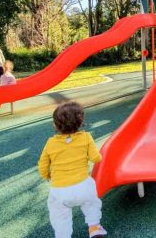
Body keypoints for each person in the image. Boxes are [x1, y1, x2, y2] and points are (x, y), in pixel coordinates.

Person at [38, 102, 107, 238]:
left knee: (59, 215)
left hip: (60, 190)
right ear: (81, 122)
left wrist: (46, 176)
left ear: (55, 125)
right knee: (91, 202)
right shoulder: (86, 137)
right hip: (83, 186)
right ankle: (94, 227)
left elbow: (43, 166)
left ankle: (63, 235)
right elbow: (96, 158)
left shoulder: (51, 143)